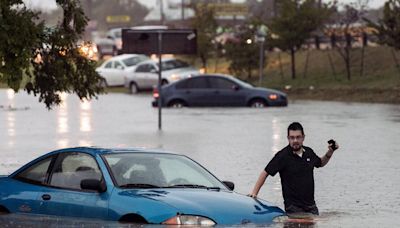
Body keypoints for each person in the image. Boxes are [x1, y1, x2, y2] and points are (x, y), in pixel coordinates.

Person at [248, 122, 339, 215]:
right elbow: (265, 173)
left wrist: (330, 152)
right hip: (293, 208)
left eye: (298, 137)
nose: (295, 140)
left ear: (303, 137)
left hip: (312, 207)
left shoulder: (309, 152)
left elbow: (320, 163)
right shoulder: (282, 156)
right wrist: (254, 193)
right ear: (288, 138)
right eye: (292, 137)